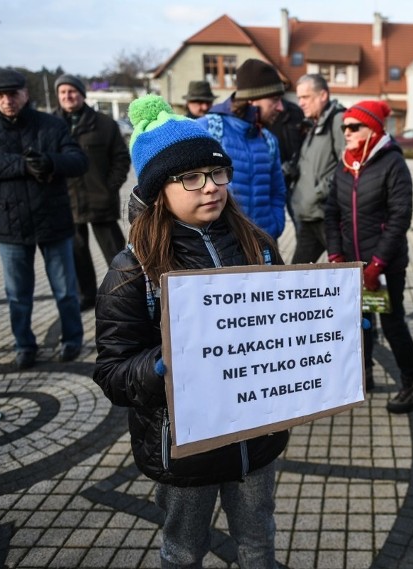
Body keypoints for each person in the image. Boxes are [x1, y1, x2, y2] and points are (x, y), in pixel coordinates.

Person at [93, 94, 289, 569]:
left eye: (217, 173)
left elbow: (285, 323)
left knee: (259, 541)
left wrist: (330, 330)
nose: (210, 187)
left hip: (255, 440)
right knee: (182, 550)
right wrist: (161, 364)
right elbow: (112, 372)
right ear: (160, 189)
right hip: (183, 449)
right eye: (191, 178)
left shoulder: (258, 246)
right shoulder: (132, 270)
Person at [0, 68, 88, 369]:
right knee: (18, 294)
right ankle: (24, 344)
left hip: (53, 220)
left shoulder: (52, 124)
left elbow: (78, 161)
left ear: (26, 93)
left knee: (65, 290)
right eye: (0, 95)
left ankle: (72, 339)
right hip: (9, 222)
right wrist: (22, 165)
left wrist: (49, 161)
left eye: (13, 94)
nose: (7, 100)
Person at [326, 100, 413, 412]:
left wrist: (378, 264)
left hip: (385, 265)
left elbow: (400, 217)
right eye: (344, 127)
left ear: (373, 129)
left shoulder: (392, 163)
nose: (347, 132)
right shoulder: (344, 165)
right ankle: (363, 374)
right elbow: (331, 214)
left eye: (354, 126)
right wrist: (335, 255)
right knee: (360, 321)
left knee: (393, 323)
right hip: (353, 263)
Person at [54, 74, 131, 311]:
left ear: (82, 94)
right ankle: (85, 296)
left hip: (100, 199)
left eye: (72, 91)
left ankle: (127, 295)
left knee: (117, 255)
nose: (68, 96)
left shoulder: (104, 123)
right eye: (63, 92)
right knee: (78, 255)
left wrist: (110, 187)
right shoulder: (51, 124)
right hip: (66, 202)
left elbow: (121, 158)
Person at [198, 58, 286, 239]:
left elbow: (277, 191)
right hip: (223, 246)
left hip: (264, 243)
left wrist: (275, 226)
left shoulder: (269, 140)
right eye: (275, 100)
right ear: (252, 99)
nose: (280, 107)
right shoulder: (208, 128)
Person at [292, 74, 345, 264]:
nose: (301, 103)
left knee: (345, 271)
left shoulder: (337, 121)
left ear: (323, 95)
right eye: (299, 98)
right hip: (309, 217)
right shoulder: (315, 124)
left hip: (326, 217)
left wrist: (319, 192)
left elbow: (347, 167)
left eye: (305, 97)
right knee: (295, 277)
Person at [267, 97, 307, 208]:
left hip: (295, 176)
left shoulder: (295, 111)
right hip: (273, 177)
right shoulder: (262, 117)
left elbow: (304, 143)